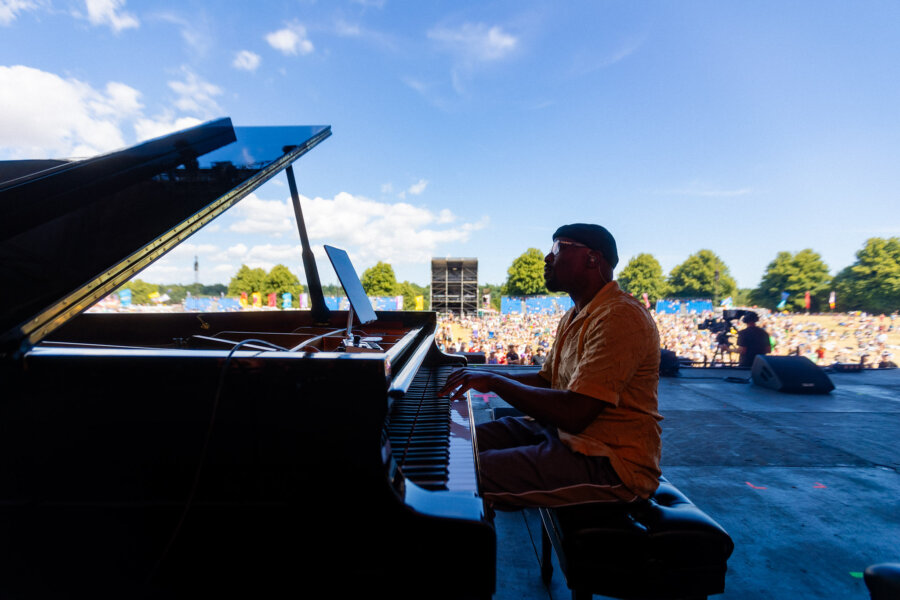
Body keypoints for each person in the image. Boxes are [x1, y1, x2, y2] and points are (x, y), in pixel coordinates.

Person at [440, 223, 662, 508]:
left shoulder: (621, 316)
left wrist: (494, 382)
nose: (547, 257)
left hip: (610, 460)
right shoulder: (575, 314)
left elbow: (574, 413)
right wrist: (485, 375)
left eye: (558, 247)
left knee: (458, 474)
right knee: (445, 445)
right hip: (560, 433)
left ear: (593, 259)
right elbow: (548, 382)